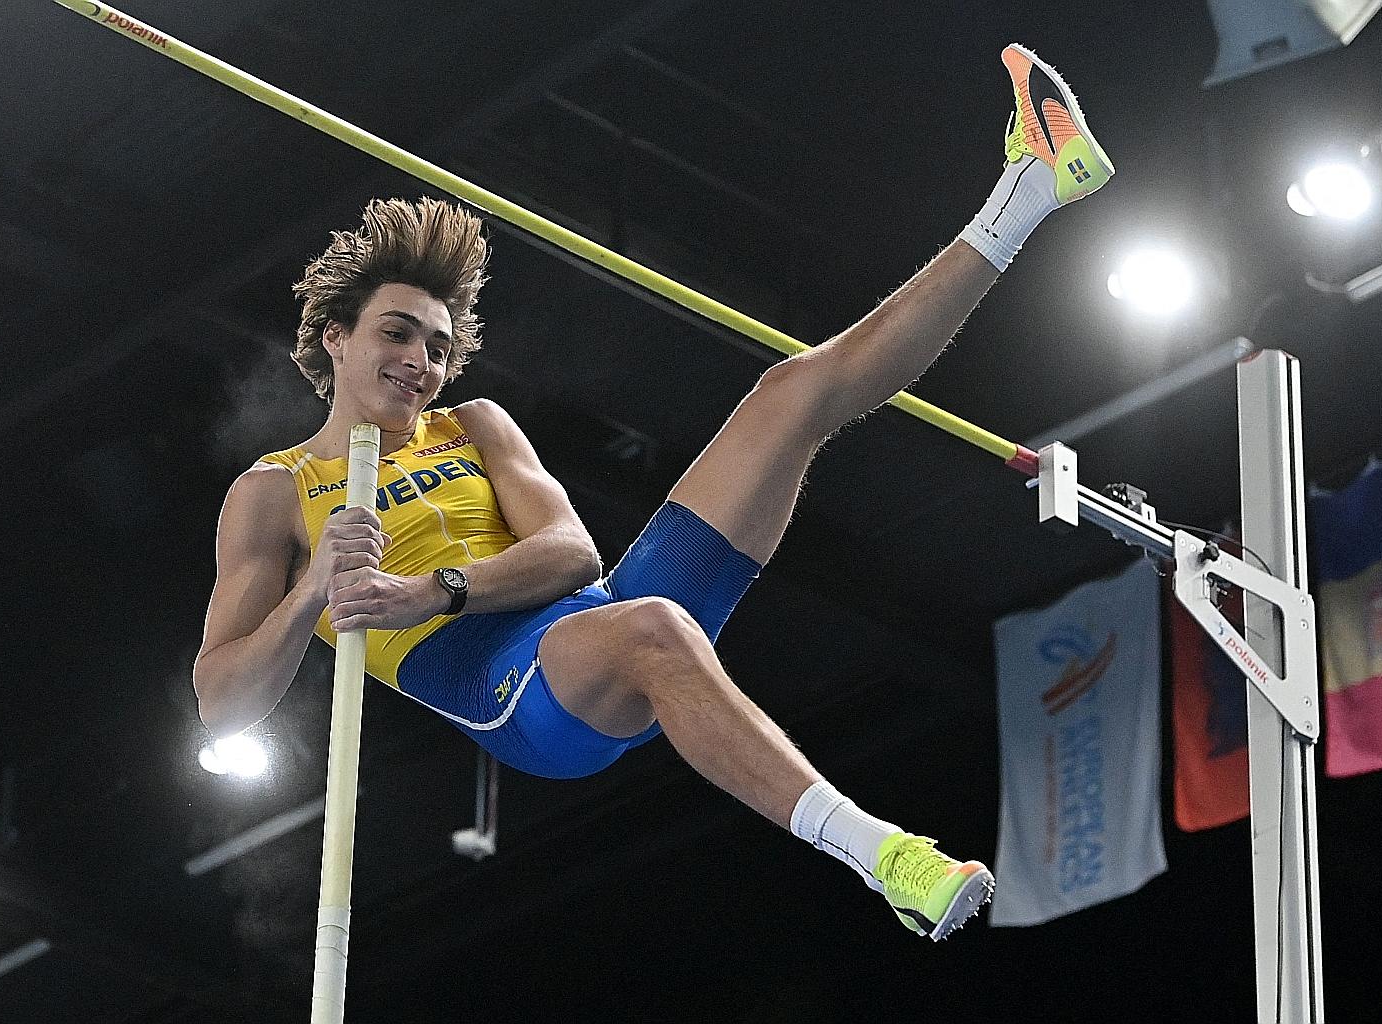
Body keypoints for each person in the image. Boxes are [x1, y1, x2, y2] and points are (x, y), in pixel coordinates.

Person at [194, 44, 1113, 941]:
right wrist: (316, 591)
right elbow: (223, 699)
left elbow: (571, 554)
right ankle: (889, 860)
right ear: (336, 337)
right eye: (399, 334)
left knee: (790, 395)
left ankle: (1027, 191)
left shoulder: (473, 426)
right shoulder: (276, 492)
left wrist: (431, 589)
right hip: (520, 697)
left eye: (438, 347)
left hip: (593, 615)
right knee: (653, 627)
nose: (421, 363)